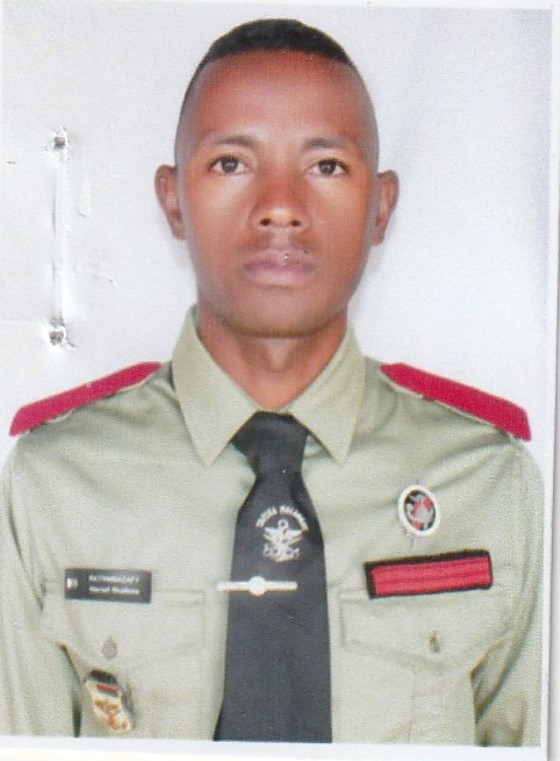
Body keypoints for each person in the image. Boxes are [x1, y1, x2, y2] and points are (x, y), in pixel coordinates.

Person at [0, 18, 542, 746]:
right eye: (231, 163)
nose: (280, 205)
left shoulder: (490, 484)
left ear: (381, 207)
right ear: (172, 199)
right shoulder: (54, 486)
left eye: (327, 166)